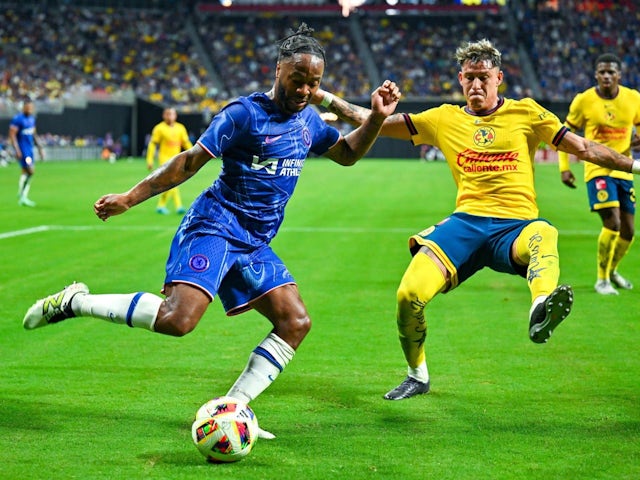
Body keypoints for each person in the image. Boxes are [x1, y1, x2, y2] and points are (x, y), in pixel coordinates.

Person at [22, 24, 400, 431]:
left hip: (254, 241)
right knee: (178, 320)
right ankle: (75, 302)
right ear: (278, 71)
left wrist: (376, 118)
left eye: (314, 83)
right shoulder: (243, 114)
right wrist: (130, 198)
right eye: (298, 79)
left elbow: (346, 155)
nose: (305, 90)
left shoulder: (309, 121)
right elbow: (189, 161)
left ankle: (232, 411)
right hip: (217, 225)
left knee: (295, 322)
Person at [315, 39, 640, 400]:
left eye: (483, 77)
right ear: (460, 79)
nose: (476, 85)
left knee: (545, 233)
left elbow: (584, 148)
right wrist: (322, 97)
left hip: (515, 226)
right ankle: (417, 375)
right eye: (469, 78)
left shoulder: (527, 113)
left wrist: (634, 164)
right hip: (466, 224)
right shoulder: (442, 119)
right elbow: (366, 118)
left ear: (499, 77)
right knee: (408, 294)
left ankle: (540, 307)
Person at [557, 54, 640, 295]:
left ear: (619, 75)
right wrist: (564, 168)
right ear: (596, 75)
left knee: (628, 230)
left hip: (624, 169)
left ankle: (612, 270)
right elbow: (564, 133)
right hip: (596, 168)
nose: (606, 76)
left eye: (611, 72)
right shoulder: (583, 100)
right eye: (602, 72)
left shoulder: (633, 98)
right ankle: (601, 279)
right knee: (612, 222)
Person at [146, 108, 193, 215]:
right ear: (164, 115)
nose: (170, 116)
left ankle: (161, 205)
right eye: (168, 114)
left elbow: (186, 142)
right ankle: (178, 206)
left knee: (172, 182)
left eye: (172, 114)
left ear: (175, 115)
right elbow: (153, 144)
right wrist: (150, 159)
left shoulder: (180, 128)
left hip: (177, 158)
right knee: (172, 180)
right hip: (164, 158)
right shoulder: (159, 128)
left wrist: (194, 154)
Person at [9, 99, 45, 207]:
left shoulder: (31, 119)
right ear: (23, 107)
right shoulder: (18, 119)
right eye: (27, 107)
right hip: (23, 150)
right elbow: (12, 135)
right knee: (30, 171)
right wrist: (17, 150)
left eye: (31, 107)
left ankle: (22, 195)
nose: (29, 109)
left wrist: (40, 148)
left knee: (25, 172)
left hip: (30, 150)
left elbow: (34, 134)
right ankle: (22, 195)